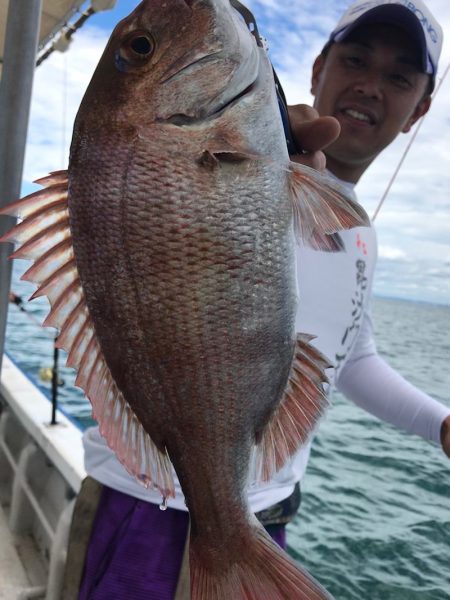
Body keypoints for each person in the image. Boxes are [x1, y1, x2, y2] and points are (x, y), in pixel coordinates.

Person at [71, 1, 450, 598]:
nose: (370, 85)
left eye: (399, 77)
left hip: (264, 516)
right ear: (317, 66)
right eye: (355, 59)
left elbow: (350, 355)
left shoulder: (358, 232)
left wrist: (441, 424)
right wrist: (273, 165)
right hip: (144, 503)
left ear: (419, 108)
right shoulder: (274, 166)